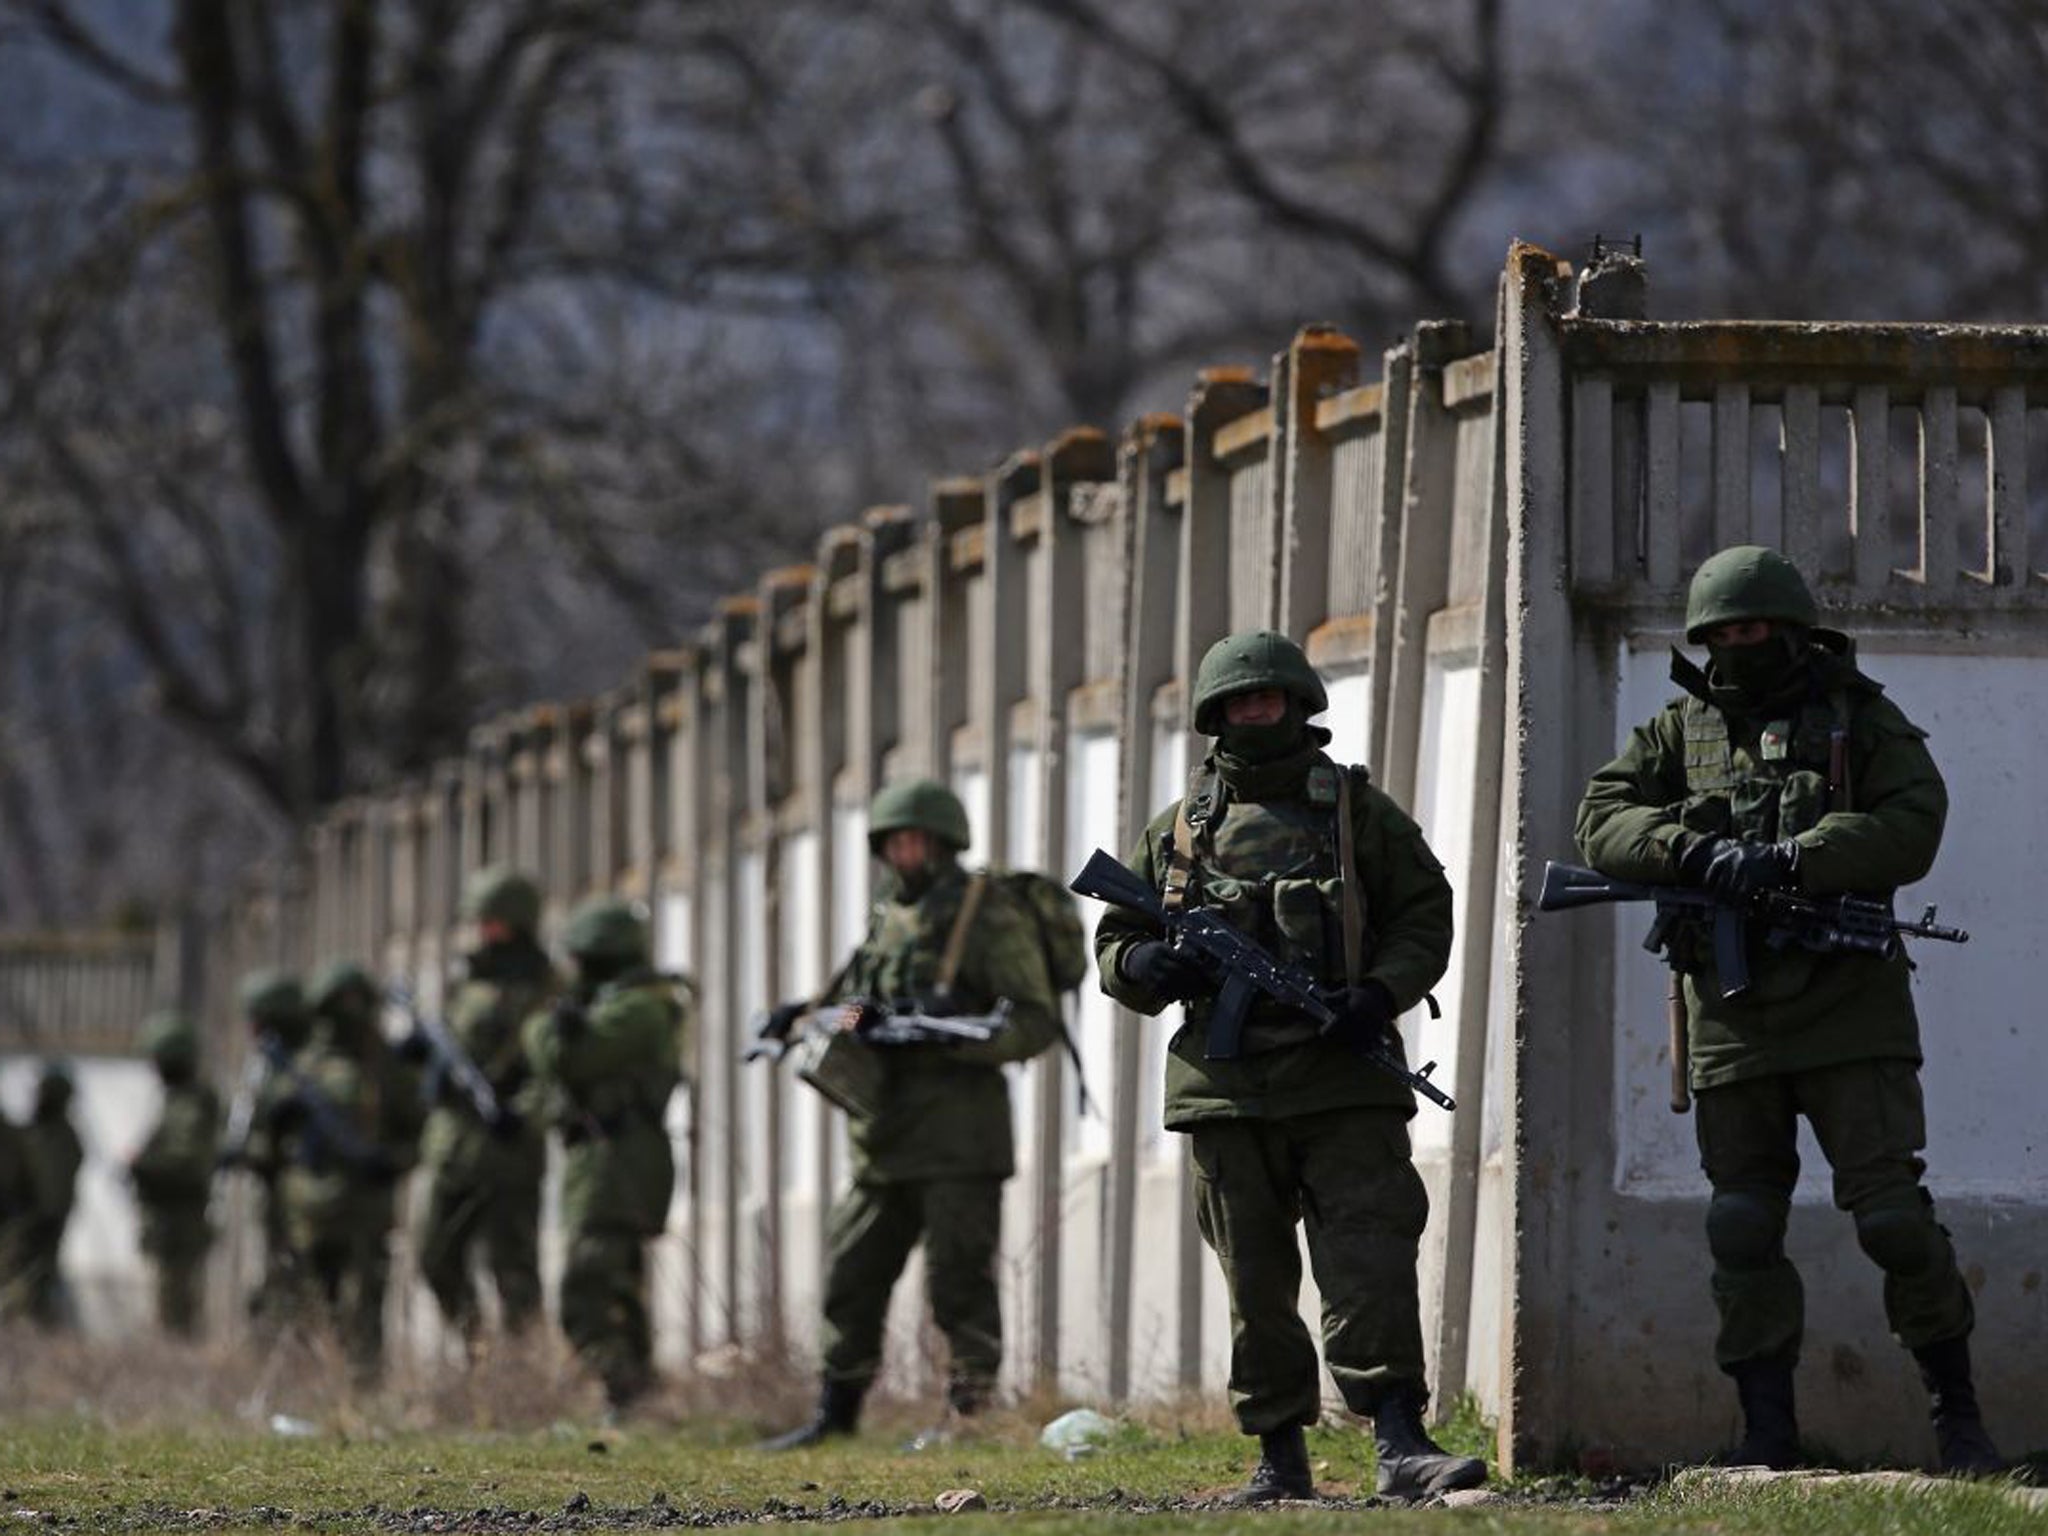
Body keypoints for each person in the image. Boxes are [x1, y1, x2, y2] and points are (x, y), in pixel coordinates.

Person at [1575, 544, 2000, 1475]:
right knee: (1740, 1224)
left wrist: (1799, 856)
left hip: (1852, 1008)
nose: (1739, 644)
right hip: (1731, 1015)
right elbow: (1600, 818)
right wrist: (1689, 851)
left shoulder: (1861, 718)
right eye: (1723, 633)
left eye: (1756, 628)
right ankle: (1769, 1433)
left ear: (1794, 628)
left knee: (1891, 1218)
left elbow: (1913, 821)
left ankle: (1959, 1422)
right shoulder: (1677, 733)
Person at [1094, 630, 1485, 1503]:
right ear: (1215, 716)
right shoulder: (1183, 826)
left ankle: (1398, 1441)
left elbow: (1425, 910)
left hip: (1342, 1077)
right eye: (1238, 702)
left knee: (1370, 1258)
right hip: (1225, 1088)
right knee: (1255, 1280)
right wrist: (1148, 967)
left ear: (1301, 705)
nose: (1254, 713)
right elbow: (1117, 937)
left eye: (1268, 699)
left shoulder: (1355, 813)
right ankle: (1278, 1458)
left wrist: (1377, 996)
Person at [760, 779, 1063, 1450]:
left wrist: (959, 1036)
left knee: (958, 1281)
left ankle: (969, 1414)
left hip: (961, 1134)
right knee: (851, 1274)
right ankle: (835, 1412)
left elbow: (1036, 1019)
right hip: (883, 1135)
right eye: (893, 842)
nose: (904, 853)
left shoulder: (986, 915)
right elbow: (854, 999)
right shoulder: (885, 913)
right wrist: (807, 1014)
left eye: (915, 840)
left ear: (944, 842)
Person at [521, 896, 686, 1411]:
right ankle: (635, 1396)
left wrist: (551, 1027)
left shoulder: (639, 1007)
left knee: (586, 1287)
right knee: (617, 1286)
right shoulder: (614, 1002)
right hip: (600, 1160)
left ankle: (623, 1387)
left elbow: (567, 1057)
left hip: (621, 1161)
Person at [416, 866, 556, 1350]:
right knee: (434, 1254)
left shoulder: (546, 988)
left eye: (492, 921)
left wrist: (522, 1113)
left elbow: (551, 1071)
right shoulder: (466, 982)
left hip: (509, 1152)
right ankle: (476, 1344)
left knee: (513, 1269)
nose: (483, 931)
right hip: (453, 1148)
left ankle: (524, 1371)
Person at [275, 960, 423, 1381]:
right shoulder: (303, 1066)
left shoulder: (385, 1070)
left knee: (364, 1304)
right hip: (311, 1208)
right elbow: (273, 1145)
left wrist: (392, 1161)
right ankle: (310, 1385)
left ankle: (361, 1388)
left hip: (366, 1209)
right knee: (312, 1300)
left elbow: (416, 1129)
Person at [223, 968, 313, 1333]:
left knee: (294, 1276)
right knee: (277, 1273)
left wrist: (255, 1152)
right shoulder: (265, 1066)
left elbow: (290, 1140)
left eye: (256, 1020)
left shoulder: (300, 1069)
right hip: (277, 1193)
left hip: (301, 1196)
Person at [129, 1010, 222, 1337]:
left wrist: (143, 1166)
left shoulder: (192, 1102)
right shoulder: (175, 1099)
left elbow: (186, 1161)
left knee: (175, 1309)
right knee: (167, 1304)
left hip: (180, 1222)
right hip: (167, 1220)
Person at [3, 1060, 85, 1327]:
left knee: (29, 1292)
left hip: (36, 1231)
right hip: (24, 1228)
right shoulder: (34, 1133)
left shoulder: (60, 1139)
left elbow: (51, 1195)